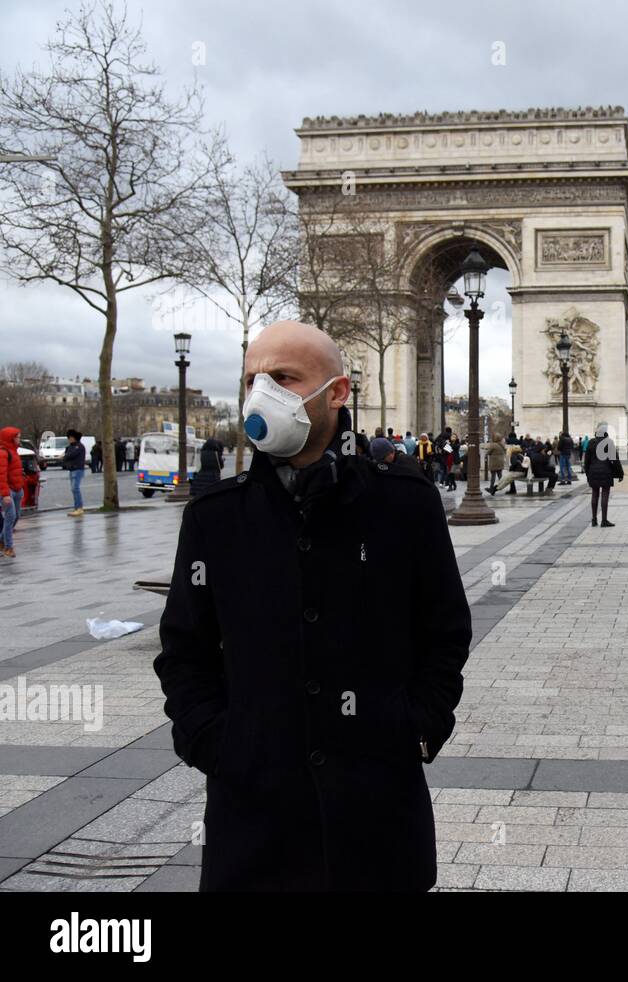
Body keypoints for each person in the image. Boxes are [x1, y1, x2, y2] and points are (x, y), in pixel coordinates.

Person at [153, 320, 471, 891]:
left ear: (338, 392)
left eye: (283, 378)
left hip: (380, 818)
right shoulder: (214, 518)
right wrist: (214, 742)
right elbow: (183, 651)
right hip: (253, 823)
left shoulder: (405, 503)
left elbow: (445, 631)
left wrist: (418, 726)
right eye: (252, 379)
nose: (262, 395)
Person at [583, 424, 622, 527]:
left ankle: (594, 519)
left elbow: (586, 461)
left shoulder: (591, 443)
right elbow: (615, 460)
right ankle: (604, 520)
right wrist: (620, 473)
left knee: (594, 494)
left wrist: (587, 474)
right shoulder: (609, 443)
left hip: (593, 472)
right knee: (605, 494)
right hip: (606, 472)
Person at [0, 426, 23, 558]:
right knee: (10, 517)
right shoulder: (3, 453)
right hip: (8, 491)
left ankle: (1, 540)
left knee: (16, 516)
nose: (19, 438)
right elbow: (1, 475)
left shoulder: (14, 451)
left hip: (17, 489)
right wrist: (5, 494)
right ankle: (8, 547)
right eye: (17, 436)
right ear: (10, 438)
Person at [62, 429, 86, 517]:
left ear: (73, 438)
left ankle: (79, 508)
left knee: (75, 488)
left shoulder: (78, 446)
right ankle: (77, 507)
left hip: (77, 469)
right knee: (74, 489)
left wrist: (64, 456)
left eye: (69, 438)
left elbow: (70, 455)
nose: (69, 439)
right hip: (72, 469)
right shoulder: (72, 446)